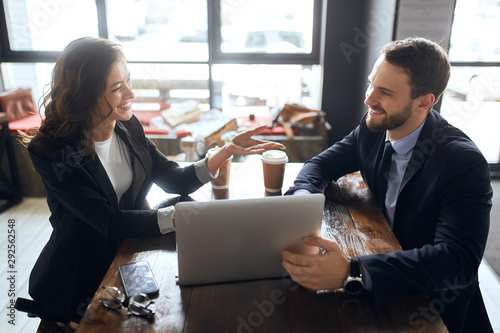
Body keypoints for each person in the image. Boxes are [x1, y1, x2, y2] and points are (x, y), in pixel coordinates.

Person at [20, 36, 285, 327]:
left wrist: (224, 152)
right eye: (117, 88)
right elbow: (107, 220)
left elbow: (174, 179)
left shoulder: (128, 125)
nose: (131, 93)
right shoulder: (51, 151)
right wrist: (178, 217)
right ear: (85, 96)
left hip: (129, 257)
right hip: (78, 281)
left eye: (128, 81)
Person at [281, 37, 493, 333]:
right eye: (371, 84)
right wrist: (302, 201)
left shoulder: (463, 163)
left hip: (432, 304)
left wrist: (353, 271)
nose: (368, 99)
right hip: (382, 268)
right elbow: (321, 165)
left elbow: (458, 261)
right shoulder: (374, 127)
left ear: (424, 102)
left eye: (385, 92)